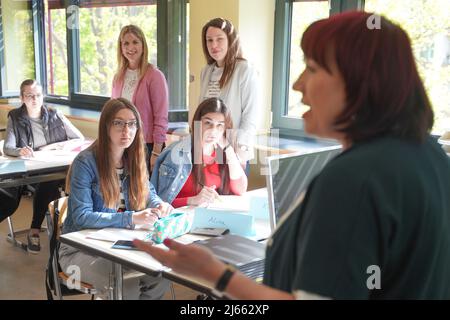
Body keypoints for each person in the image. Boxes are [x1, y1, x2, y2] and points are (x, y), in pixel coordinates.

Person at [135, 12, 450, 299]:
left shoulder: (354, 180)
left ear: (359, 83)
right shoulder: (432, 157)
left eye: (312, 68)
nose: (298, 84)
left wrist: (216, 274)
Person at [59, 98, 173, 300]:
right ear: (105, 126)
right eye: (118, 123)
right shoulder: (85, 163)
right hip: (78, 252)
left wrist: (157, 204)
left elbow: (148, 191)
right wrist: (131, 218)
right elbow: (81, 217)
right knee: (123, 281)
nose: (126, 130)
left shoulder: (135, 157)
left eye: (131, 124)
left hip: (119, 245)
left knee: (160, 275)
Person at [2, 79, 84, 254]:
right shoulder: (15, 117)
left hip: (55, 165)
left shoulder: (55, 114)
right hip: (29, 170)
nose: (34, 99)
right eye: (29, 95)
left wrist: (56, 147)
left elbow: (79, 138)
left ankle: (51, 231)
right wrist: (19, 151)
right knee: (49, 183)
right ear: (21, 97)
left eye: (38, 95)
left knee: (53, 181)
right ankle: (38, 230)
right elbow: (7, 147)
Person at [151, 97, 247, 208]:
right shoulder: (177, 154)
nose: (213, 130)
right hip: (182, 219)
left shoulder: (222, 153)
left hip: (213, 219)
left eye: (220, 125)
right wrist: (193, 200)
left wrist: (229, 150)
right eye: (208, 123)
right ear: (197, 123)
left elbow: (240, 190)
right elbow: (158, 203)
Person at [199, 18, 261, 169]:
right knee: (207, 192)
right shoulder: (206, 71)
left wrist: (238, 154)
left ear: (230, 40)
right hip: (207, 150)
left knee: (229, 192)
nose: (214, 45)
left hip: (233, 150)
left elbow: (251, 116)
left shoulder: (245, 70)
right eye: (209, 40)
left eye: (219, 39)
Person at [112, 24, 169, 171]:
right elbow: (112, 114)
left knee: (144, 191)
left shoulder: (155, 76)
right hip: (123, 143)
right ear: (121, 48)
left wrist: (156, 152)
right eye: (126, 43)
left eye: (135, 42)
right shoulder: (118, 77)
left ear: (143, 46)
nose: (131, 47)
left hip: (147, 146)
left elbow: (161, 117)